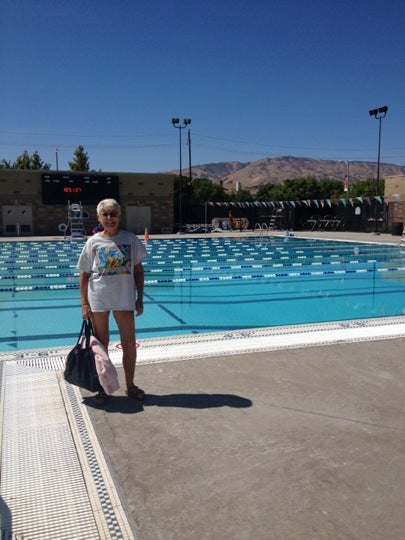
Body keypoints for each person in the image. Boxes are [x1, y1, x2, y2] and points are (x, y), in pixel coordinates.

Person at [77, 198, 147, 405]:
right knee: (101, 345)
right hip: (98, 298)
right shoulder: (92, 242)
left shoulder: (131, 239)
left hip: (124, 298)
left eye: (113, 214)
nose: (109, 218)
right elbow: (84, 275)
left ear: (119, 216)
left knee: (128, 343)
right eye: (105, 214)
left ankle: (130, 385)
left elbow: (138, 271)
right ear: (99, 217)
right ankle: (103, 388)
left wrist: (140, 298)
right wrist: (84, 303)